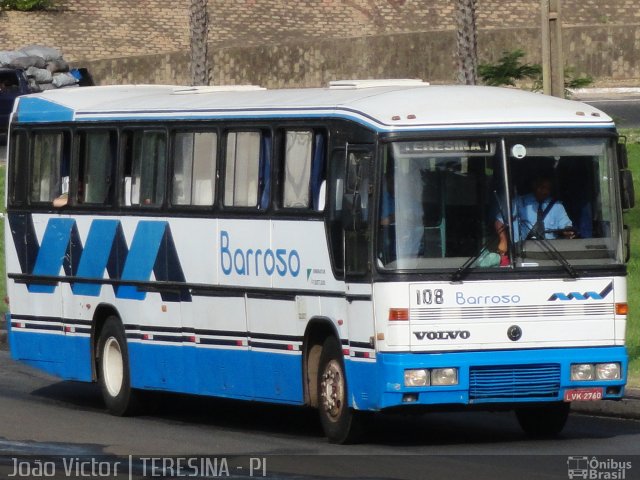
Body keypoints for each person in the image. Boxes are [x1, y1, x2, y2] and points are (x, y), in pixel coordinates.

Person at [496, 176, 574, 255]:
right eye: (542, 187)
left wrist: (568, 232)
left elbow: (567, 228)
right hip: (521, 253)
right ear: (534, 185)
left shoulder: (557, 206)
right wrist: (503, 241)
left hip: (551, 254)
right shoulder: (519, 202)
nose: (545, 191)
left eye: (548, 188)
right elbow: (499, 222)